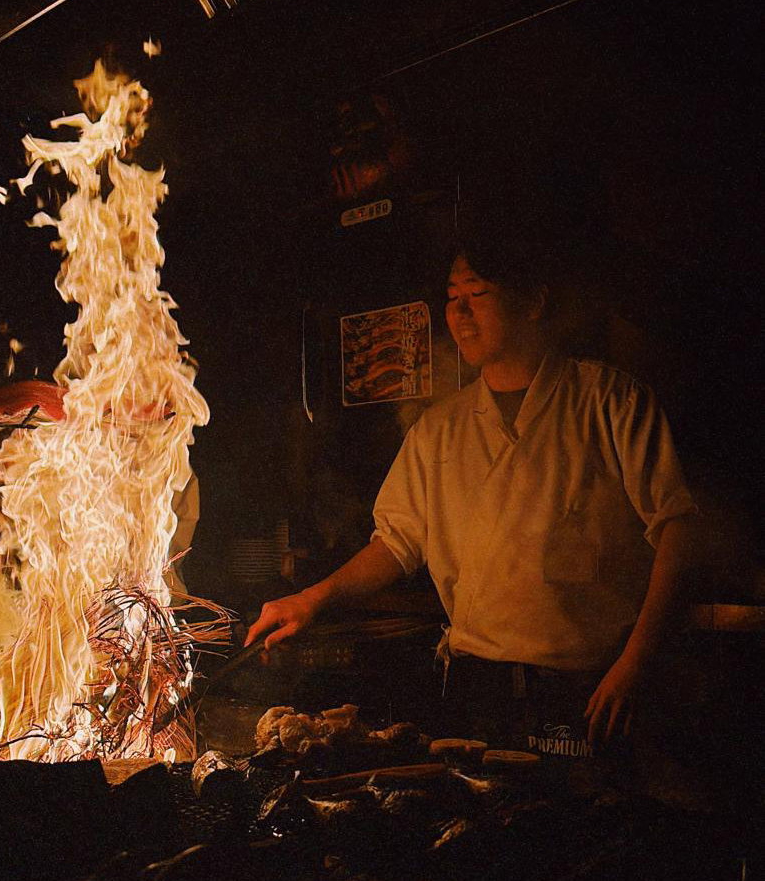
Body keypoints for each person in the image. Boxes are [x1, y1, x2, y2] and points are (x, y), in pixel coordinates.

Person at [246, 238, 697, 758]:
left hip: (590, 689)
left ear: (533, 303)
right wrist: (310, 599)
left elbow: (678, 529)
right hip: (475, 691)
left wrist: (636, 663)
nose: (458, 313)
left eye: (477, 294)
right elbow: (396, 543)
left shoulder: (609, 401)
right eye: (451, 296)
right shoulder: (438, 429)